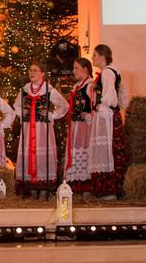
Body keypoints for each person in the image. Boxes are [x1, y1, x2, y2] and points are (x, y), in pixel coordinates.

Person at [13, 62, 69, 200]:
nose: (31, 73)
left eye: (35, 70)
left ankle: (44, 187)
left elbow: (64, 105)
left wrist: (51, 115)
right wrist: (23, 113)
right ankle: (31, 187)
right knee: (29, 154)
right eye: (30, 70)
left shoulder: (49, 90)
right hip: (28, 128)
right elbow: (16, 105)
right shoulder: (25, 89)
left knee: (42, 155)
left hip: (42, 129)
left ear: (42, 73)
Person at [88, 44, 127, 200]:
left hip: (107, 116)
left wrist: (100, 104)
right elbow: (123, 95)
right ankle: (104, 189)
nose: (93, 58)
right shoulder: (110, 72)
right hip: (106, 115)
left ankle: (109, 190)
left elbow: (111, 97)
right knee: (105, 151)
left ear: (102, 56)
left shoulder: (108, 73)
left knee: (108, 151)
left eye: (95, 55)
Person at [64, 58, 95, 196]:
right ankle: (75, 185)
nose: (73, 71)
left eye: (76, 68)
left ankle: (86, 185)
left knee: (84, 151)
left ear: (85, 69)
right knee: (75, 152)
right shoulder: (77, 87)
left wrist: (88, 115)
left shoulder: (90, 86)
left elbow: (97, 107)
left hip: (85, 127)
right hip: (76, 126)